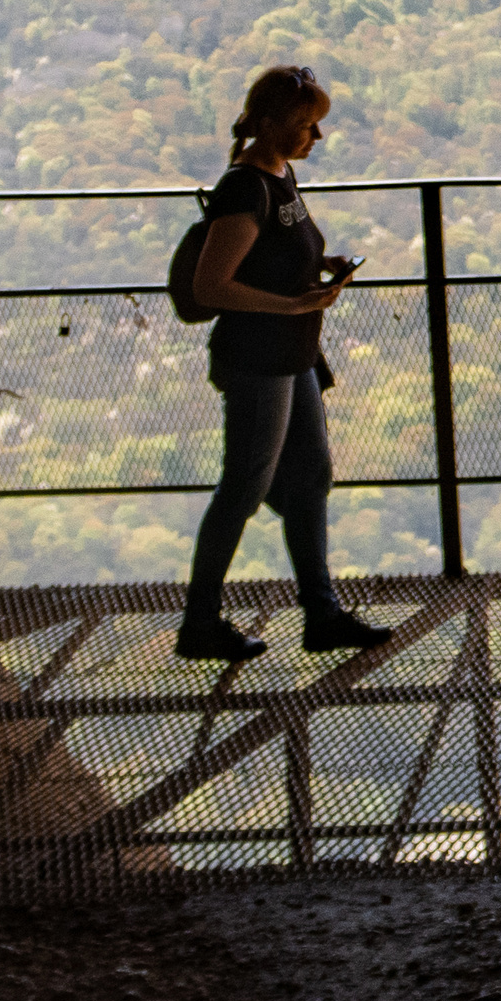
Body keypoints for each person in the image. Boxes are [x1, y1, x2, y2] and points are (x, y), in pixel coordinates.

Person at [175, 64, 393, 661]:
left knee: (311, 477)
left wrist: (320, 269)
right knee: (244, 488)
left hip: (294, 356)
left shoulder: (279, 174)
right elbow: (214, 285)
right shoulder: (244, 188)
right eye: (305, 126)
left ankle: (321, 614)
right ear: (269, 124)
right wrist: (292, 305)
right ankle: (199, 625)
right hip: (259, 361)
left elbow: (271, 253)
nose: (315, 138)